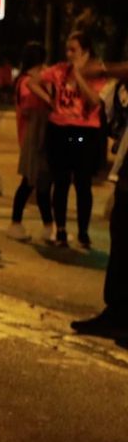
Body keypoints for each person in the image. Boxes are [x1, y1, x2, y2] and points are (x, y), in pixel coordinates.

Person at [72, 56, 128, 338]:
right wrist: (81, 75)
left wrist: (102, 70)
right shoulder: (118, 88)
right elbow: (96, 100)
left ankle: (118, 314)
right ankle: (117, 311)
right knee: (120, 234)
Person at [42, 30, 108, 250]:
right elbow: (34, 81)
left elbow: (95, 100)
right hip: (59, 129)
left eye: (74, 50)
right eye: (67, 50)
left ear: (86, 52)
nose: (69, 54)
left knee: (83, 183)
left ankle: (83, 232)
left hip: (85, 131)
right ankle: (60, 230)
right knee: (61, 182)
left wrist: (79, 76)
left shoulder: (95, 72)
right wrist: (50, 100)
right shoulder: (60, 70)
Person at [8, 40, 54, 240]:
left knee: (40, 182)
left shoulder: (26, 80)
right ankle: (16, 224)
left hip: (37, 138)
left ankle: (48, 226)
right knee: (30, 182)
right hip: (32, 139)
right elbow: (28, 107)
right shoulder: (27, 82)